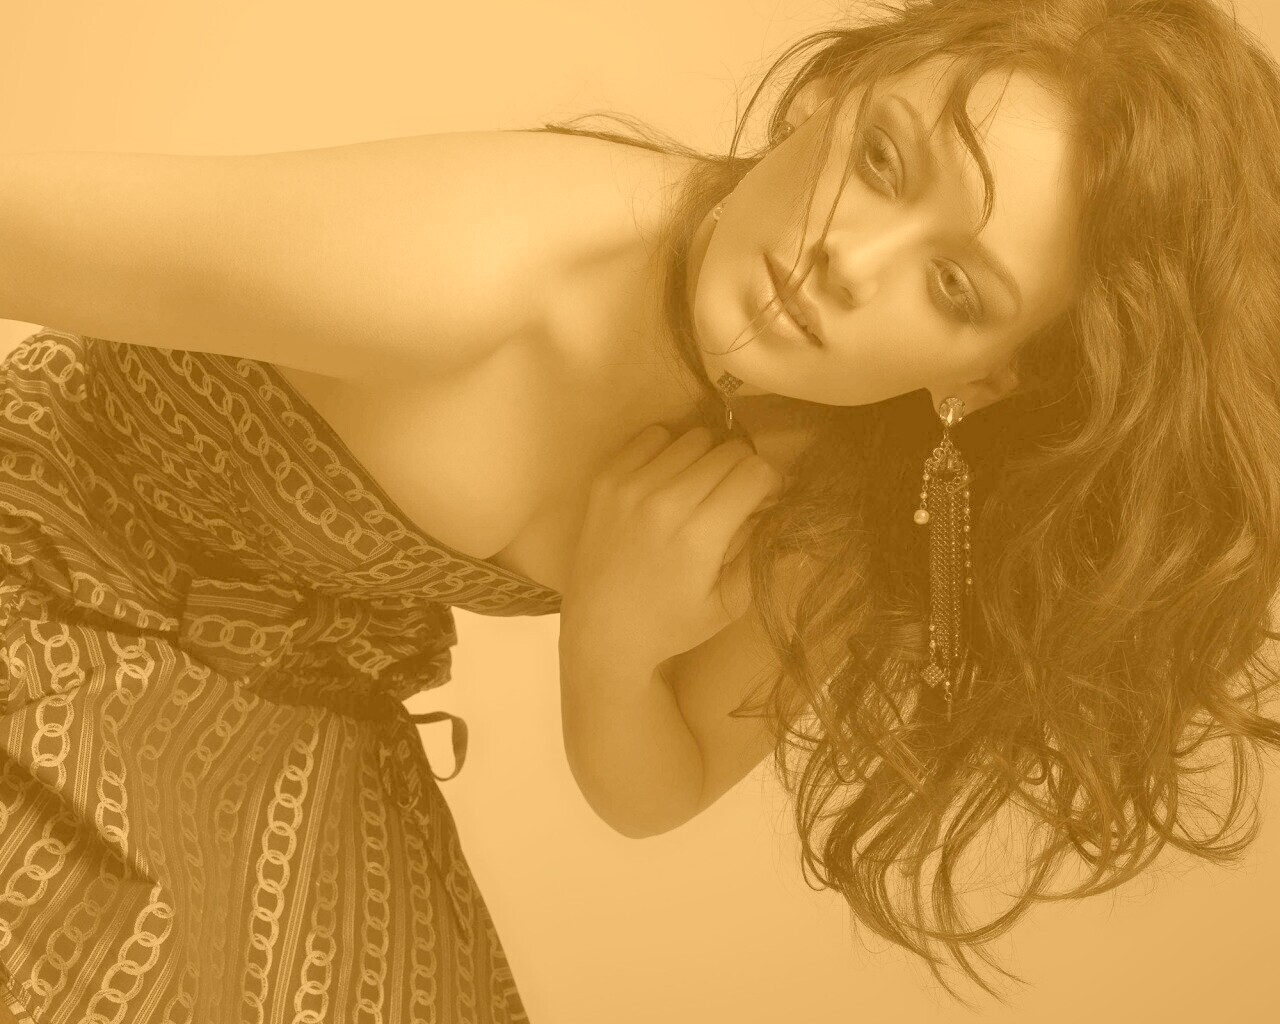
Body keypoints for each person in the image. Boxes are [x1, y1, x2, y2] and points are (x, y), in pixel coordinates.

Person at [2, 0, 1278, 1018]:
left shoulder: (841, 482)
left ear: (984, 378)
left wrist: (610, 642)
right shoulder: (474, 264)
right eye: (883, 159)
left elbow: (655, 786)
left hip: (278, 713)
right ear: (831, 95)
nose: (850, 256)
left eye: (953, 287)